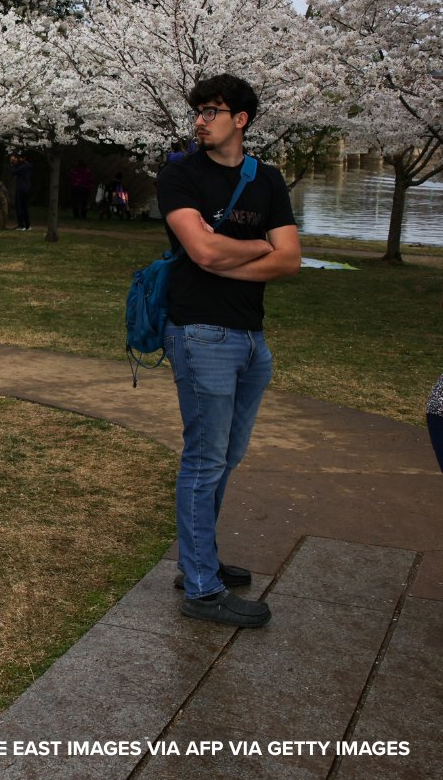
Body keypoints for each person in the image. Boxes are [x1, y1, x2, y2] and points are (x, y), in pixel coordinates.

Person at [157, 73, 300, 629]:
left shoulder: (267, 179)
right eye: (197, 110)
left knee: (227, 457)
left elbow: (290, 259)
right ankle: (201, 587)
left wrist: (243, 252)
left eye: (212, 110)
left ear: (240, 119)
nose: (200, 119)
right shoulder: (180, 175)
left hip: (250, 338)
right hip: (199, 334)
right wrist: (259, 245)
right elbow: (203, 253)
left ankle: (200, 561)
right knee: (204, 459)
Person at [10, 151, 33, 231]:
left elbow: (13, 172)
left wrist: (13, 163)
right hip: (26, 188)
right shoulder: (28, 165)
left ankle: (21, 225)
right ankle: (27, 225)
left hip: (21, 188)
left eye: (19, 158)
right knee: (24, 207)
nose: (18, 159)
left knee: (19, 206)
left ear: (24, 158)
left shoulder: (24, 167)